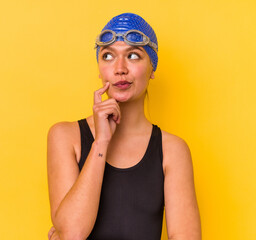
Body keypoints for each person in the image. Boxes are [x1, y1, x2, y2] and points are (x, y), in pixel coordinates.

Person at [47, 13, 201, 240]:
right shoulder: (65, 136)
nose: (120, 68)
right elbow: (72, 233)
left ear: (152, 68)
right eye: (108, 56)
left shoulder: (172, 151)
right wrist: (101, 142)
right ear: (99, 69)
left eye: (133, 56)